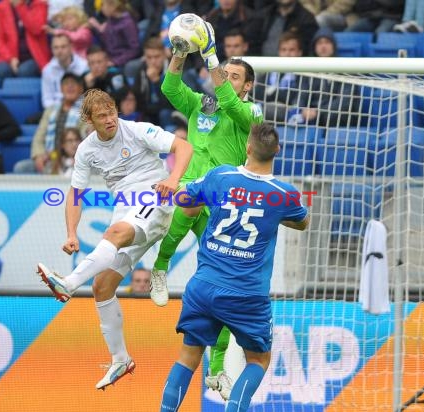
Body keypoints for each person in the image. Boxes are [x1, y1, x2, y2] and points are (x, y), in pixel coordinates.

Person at [36, 88, 193, 390]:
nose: (110, 119)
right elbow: (75, 194)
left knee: (114, 234)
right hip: (126, 208)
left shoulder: (136, 130)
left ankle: (67, 284)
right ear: (89, 121)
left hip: (155, 197)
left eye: (112, 112)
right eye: (102, 116)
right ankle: (121, 359)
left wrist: (172, 179)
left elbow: (182, 147)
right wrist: (71, 233)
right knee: (102, 285)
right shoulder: (86, 150)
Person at [160, 123, 310, 412]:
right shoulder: (284, 194)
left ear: (248, 147)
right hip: (247, 294)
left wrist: (172, 189)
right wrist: (272, 214)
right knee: (258, 360)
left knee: (188, 356)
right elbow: (303, 222)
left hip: (204, 285)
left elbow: (186, 199)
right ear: (277, 150)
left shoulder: (222, 176)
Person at [152, 20, 263, 399]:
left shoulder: (253, 114)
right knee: (185, 210)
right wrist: (180, 54)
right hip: (191, 187)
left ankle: (216, 372)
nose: (227, 79)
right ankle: (160, 268)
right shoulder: (202, 104)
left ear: (247, 85)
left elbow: (232, 104)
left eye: (235, 76)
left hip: (224, 202)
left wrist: (211, 54)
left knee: (222, 290)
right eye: (224, 73)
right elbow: (169, 87)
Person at [14, 72, 88, 174]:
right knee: (21, 168)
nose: (70, 86)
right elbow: (39, 137)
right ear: (61, 89)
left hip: (72, 159)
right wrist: (39, 155)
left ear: (81, 89)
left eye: (73, 84)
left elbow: (86, 137)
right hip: (49, 158)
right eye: (66, 84)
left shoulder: (86, 112)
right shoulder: (50, 111)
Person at [251, 31, 304, 124]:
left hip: (288, 113)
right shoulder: (270, 71)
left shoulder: (303, 75)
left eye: (291, 50)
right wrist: (277, 93)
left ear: (299, 52)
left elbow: (292, 98)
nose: (287, 53)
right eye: (284, 50)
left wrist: (271, 92)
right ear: (279, 52)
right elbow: (257, 93)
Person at [0, 0, 51, 79]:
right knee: (0, 70)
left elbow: (36, 29)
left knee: (25, 71)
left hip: (34, 57)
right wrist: (10, 59)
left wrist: (20, 7)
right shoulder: (1, 8)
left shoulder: (39, 4)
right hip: (8, 57)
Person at [41, 33, 89, 109]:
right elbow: (47, 100)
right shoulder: (47, 70)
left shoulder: (84, 66)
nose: (59, 51)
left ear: (71, 47)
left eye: (63, 47)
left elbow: (86, 97)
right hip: (56, 111)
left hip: (79, 111)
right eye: (56, 48)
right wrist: (60, 110)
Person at [88, 0, 140, 67]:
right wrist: (96, 28)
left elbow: (134, 49)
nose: (101, 9)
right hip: (109, 58)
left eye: (103, 5)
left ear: (112, 6)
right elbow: (106, 41)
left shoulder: (127, 23)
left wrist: (116, 62)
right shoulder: (110, 21)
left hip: (122, 61)